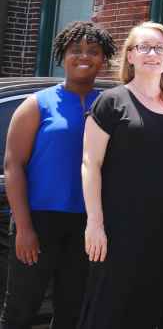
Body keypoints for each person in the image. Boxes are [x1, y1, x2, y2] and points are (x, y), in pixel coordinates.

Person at [0, 22, 115, 329]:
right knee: (21, 309)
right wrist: (23, 228)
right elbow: (13, 167)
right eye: (75, 50)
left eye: (93, 51)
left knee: (73, 311)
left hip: (88, 223)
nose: (84, 57)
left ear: (103, 59)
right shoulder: (37, 104)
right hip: (39, 219)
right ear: (62, 56)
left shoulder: (110, 104)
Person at [78, 22, 163, 328]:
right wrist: (94, 224)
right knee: (107, 309)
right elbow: (90, 164)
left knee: (149, 310)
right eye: (143, 47)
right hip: (116, 229)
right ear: (130, 56)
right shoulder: (112, 101)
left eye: (159, 48)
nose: (152, 54)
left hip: (162, 231)